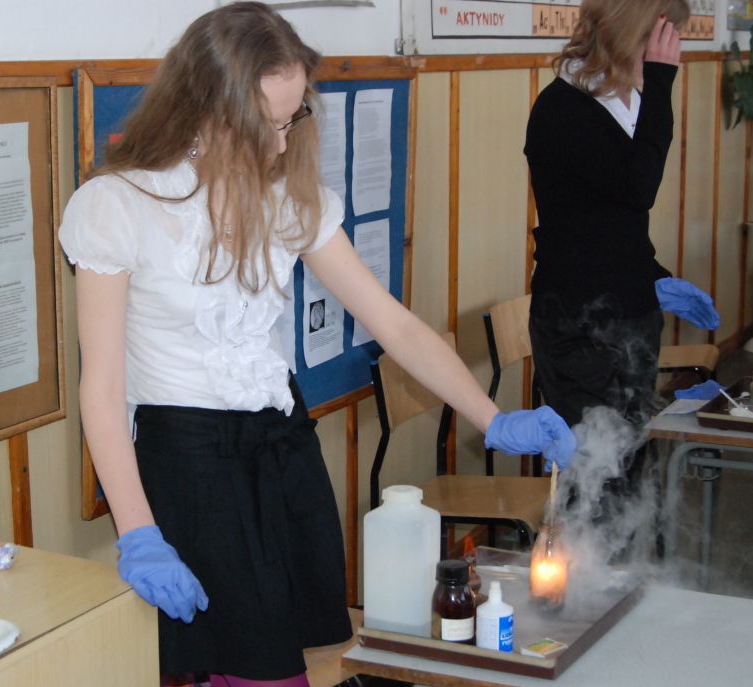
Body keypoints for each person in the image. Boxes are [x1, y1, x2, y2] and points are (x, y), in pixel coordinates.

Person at [59, 4, 577, 685]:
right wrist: (138, 533)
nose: (280, 147)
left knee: (307, 656)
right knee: (253, 671)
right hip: (190, 465)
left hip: (282, 447)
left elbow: (394, 325)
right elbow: (101, 388)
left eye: (290, 121)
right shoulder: (119, 205)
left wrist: (493, 416)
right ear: (206, 106)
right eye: (265, 126)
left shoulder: (286, 198)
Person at [524, 0, 719, 433]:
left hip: (630, 310)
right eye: (663, 39)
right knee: (597, 461)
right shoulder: (565, 106)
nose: (670, 52)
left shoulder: (627, 98)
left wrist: (651, 276)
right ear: (633, 34)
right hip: (579, 318)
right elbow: (637, 189)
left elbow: (612, 219)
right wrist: (662, 81)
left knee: (632, 454)